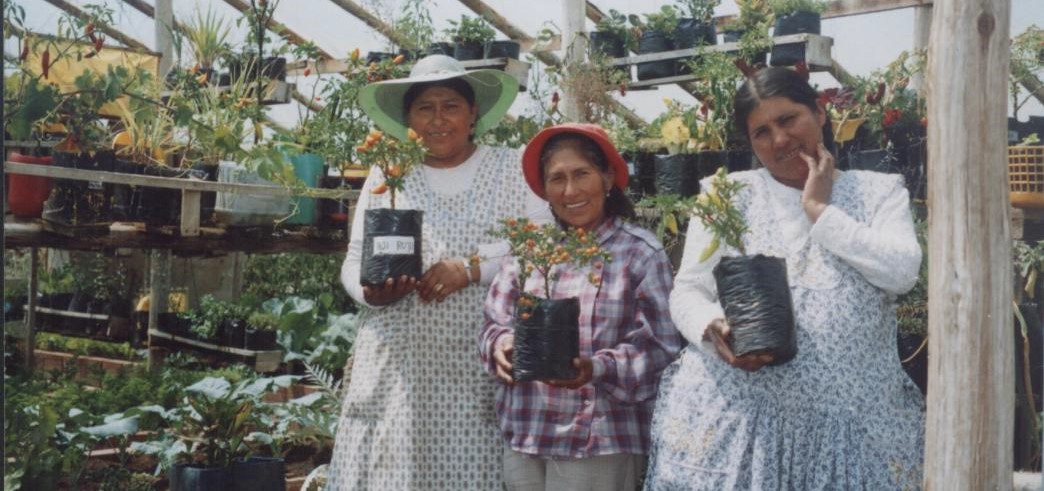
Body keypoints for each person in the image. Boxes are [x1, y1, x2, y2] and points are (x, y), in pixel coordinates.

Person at [642, 67, 925, 490]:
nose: (778, 140)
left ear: (820, 113)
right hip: (740, 420)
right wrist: (711, 327)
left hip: (849, 429)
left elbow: (902, 272)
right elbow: (689, 289)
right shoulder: (727, 195)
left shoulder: (877, 192)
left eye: (789, 119)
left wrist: (819, 210)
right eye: (761, 132)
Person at [328, 54, 551, 490]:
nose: (438, 119)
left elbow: (541, 250)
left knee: (472, 472)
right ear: (408, 119)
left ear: (473, 115)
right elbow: (354, 260)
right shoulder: (389, 173)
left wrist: (470, 268)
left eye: (450, 105)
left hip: (477, 364)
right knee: (392, 473)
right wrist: (369, 292)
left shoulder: (514, 167)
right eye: (424, 108)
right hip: (398, 368)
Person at [480, 123, 684, 491]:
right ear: (544, 189)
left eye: (582, 174)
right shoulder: (530, 251)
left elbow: (661, 350)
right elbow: (492, 323)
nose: (570, 190)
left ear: (607, 178)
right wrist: (501, 346)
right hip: (527, 433)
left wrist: (598, 367)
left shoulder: (639, 253)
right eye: (557, 179)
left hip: (600, 438)